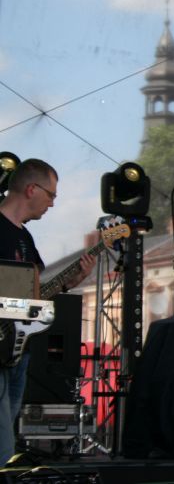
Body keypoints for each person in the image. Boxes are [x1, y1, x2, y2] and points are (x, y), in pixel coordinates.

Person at [0, 158, 96, 465]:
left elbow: (32, 297)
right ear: (31, 189)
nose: (53, 203)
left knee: (8, 430)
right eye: (51, 195)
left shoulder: (24, 237)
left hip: (17, 351)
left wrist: (68, 283)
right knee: (2, 442)